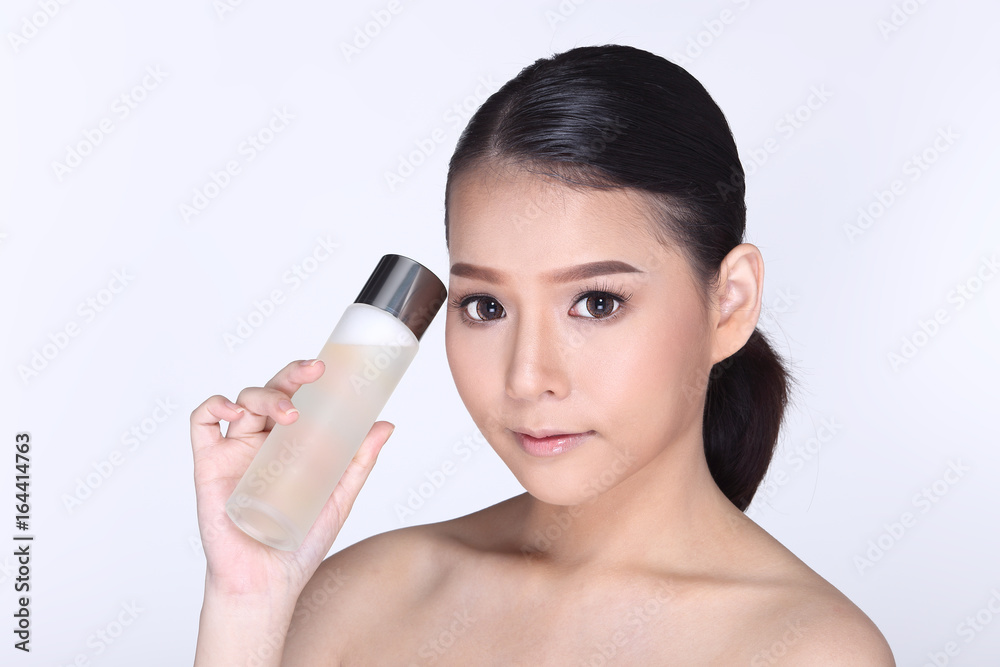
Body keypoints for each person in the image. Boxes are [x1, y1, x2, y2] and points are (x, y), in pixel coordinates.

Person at [191, 44, 895, 665]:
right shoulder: (358, 598)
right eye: (486, 307)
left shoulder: (808, 648)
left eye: (597, 302)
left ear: (730, 302)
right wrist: (246, 601)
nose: (528, 377)